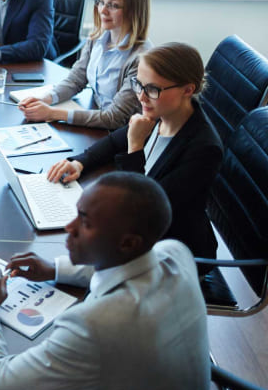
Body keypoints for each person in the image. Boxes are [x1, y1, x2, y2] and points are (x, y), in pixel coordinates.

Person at [0, 172, 209, 390]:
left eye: (85, 223)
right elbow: (132, 265)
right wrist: (55, 269)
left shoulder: (98, 325)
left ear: (128, 243)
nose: (68, 227)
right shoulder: (175, 253)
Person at [47, 42, 223, 258]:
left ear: (188, 90)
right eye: (138, 84)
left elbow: (142, 212)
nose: (141, 96)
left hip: (171, 253)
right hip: (139, 236)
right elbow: (113, 142)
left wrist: (135, 147)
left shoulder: (204, 150)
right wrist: (80, 162)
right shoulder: (163, 112)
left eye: (152, 89)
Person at [18, 0, 152, 129]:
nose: (102, 10)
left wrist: (52, 113)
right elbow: (76, 79)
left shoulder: (140, 58)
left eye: (113, 5)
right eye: (101, 2)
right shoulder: (97, 37)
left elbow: (115, 118)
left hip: (121, 133)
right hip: (94, 119)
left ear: (133, 10)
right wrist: (46, 99)